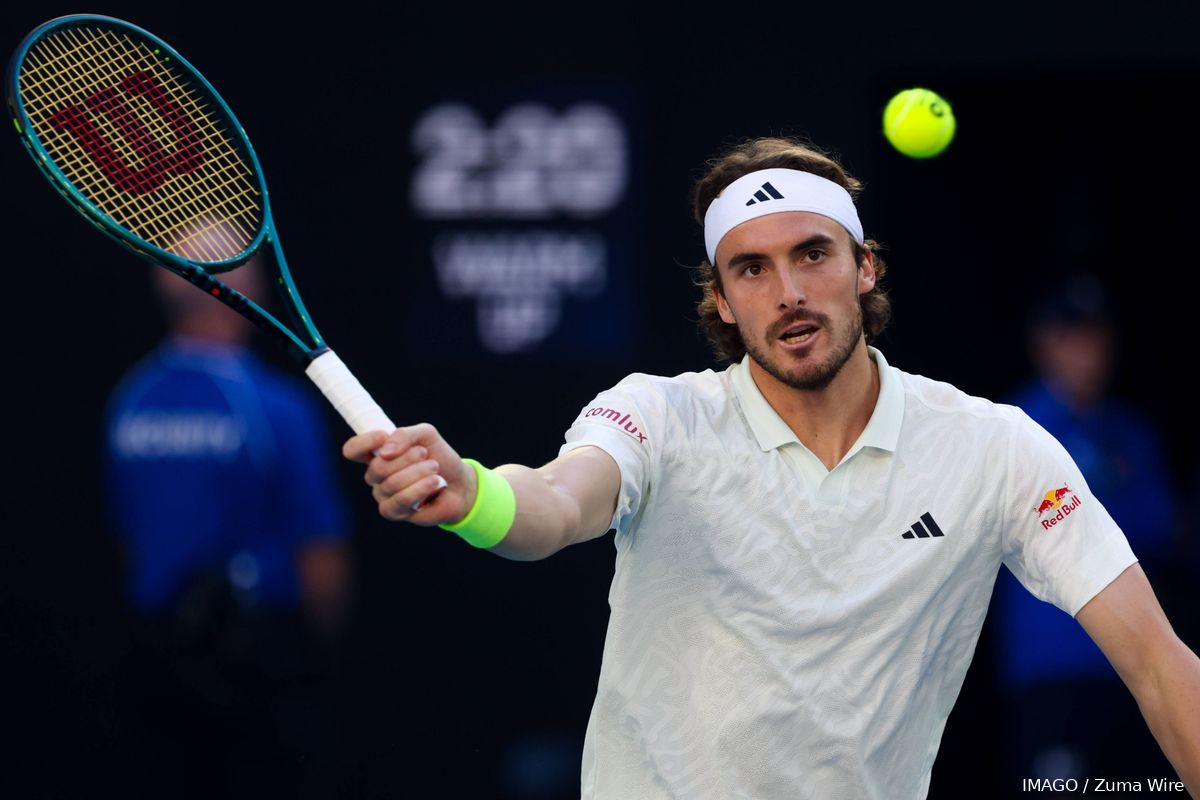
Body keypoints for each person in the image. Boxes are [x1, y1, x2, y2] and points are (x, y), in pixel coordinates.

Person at [342, 137, 1200, 799]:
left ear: (865, 269)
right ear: (721, 300)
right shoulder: (657, 415)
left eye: (812, 254)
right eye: (751, 268)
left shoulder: (997, 448)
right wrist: (477, 496)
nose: (787, 290)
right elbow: (558, 504)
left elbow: (1161, 666)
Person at [105, 238, 351, 799]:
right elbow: (321, 554)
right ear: (241, 289)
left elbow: (128, 542)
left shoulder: (130, 402)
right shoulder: (274, 407)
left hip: (158, 663)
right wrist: (312, 656)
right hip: (259, 669)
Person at [992, 272, 1181, 785]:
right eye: (1070, 335)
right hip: (1050, 665)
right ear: (1041, 343)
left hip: (1134, 664)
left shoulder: (1131, 432)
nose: (1086, 350)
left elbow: (1162, 530)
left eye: (1096, 335)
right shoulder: (1010, 427)